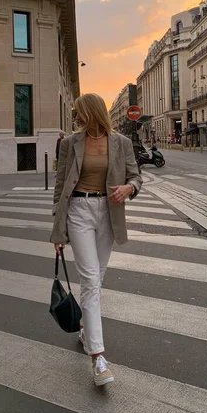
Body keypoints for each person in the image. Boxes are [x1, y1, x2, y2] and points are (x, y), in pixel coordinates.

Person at [51, 93, 142, 387]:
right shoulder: (70, 144)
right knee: (90, 280)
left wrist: (128, 188)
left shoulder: (121, 143)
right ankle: (98, 358)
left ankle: (84, 328)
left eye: (79, 112)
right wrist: (58, 229)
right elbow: (60, 185)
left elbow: (136, 177)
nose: (76, 117)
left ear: (91, 112)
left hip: (108, 212)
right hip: (78, 210)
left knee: (96, 279)